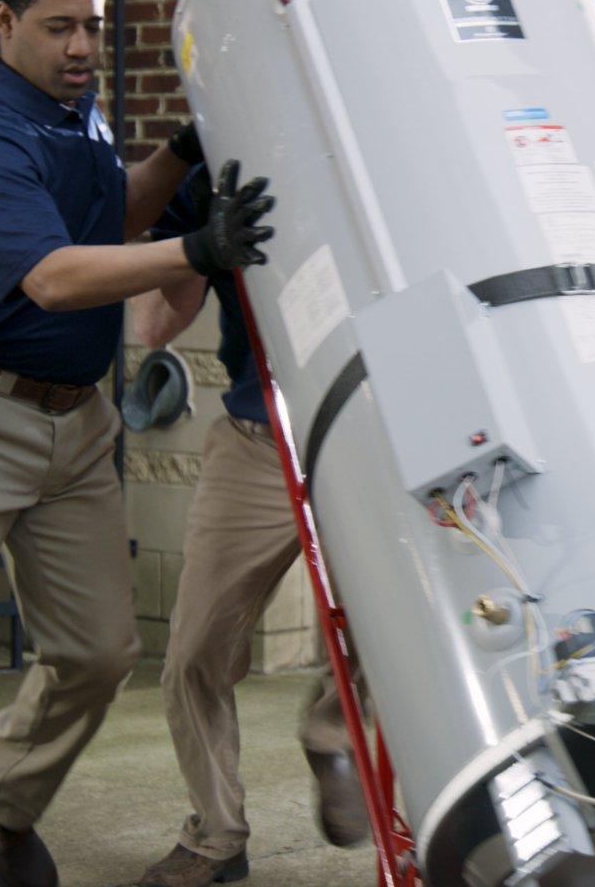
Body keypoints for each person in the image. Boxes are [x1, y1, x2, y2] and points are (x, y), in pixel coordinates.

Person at [0, 0, 273, 887]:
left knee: (98, 653)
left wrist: (180, 151)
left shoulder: (75, 112)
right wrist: (197, 252)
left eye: (92, 26)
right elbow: (52, 275)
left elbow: (106, 218)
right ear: (5, 23)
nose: (83, 48)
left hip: (76, 428)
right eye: (59, 28)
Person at [124, 166, 369, 887]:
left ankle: (332, 736)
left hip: (371, 429)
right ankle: (217, 834)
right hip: (257, 436)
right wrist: (200, 246)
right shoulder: (214, 163)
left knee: (390, 628)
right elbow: (153, 325)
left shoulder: (382, 132)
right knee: (195, 647)